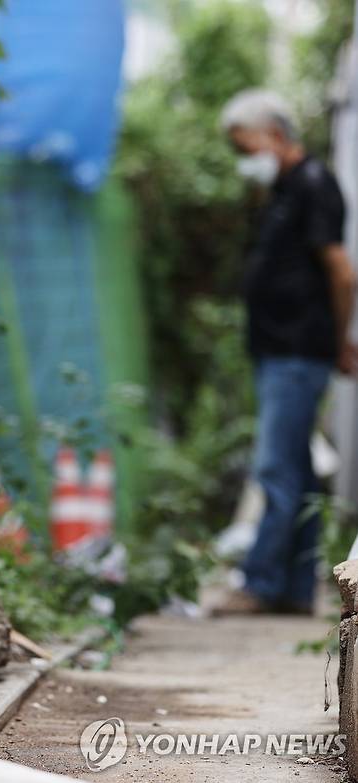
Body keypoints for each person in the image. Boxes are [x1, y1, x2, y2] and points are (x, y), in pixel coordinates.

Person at [214, 89, 357, 616]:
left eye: (245, 147)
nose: (244, 160)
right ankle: (297, 589)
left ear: (274, 135)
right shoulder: (286, 188)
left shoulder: (313, 185)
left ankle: (261, 582)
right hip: (285, 350)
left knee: (275, 467)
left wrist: (339, 341)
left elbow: (342, 272)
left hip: (300, 351)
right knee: (295, 467)